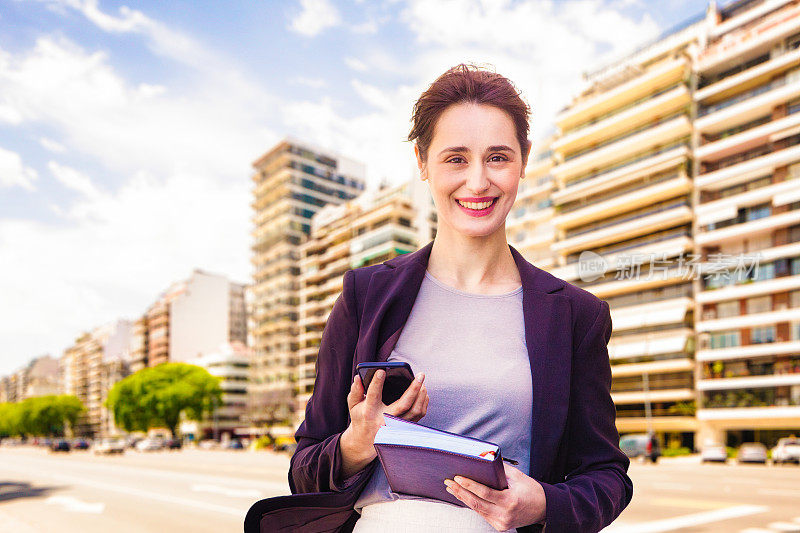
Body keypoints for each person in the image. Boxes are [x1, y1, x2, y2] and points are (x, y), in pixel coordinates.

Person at [244, 63, 633, 533]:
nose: (477, 182)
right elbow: (303, 470)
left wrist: (544, 503)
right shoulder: (364, 296)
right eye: (455, 158)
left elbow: (607, 476)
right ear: (422, 161)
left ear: (524, 160)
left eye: (498, 157)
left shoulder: (576, 315)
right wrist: (358, 442)